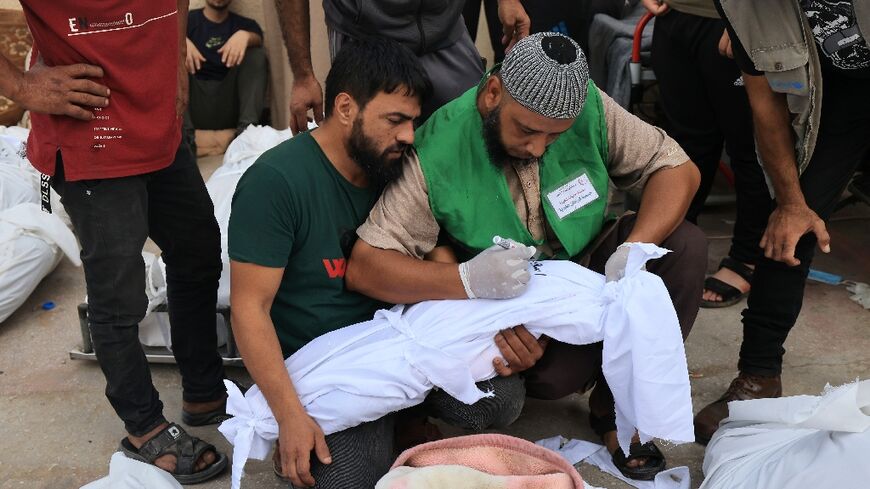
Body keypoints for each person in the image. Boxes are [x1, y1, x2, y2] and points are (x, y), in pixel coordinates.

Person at [346, 32, 707, 481]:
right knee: (552, 379)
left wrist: (633, 252)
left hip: (586, 268)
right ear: (493, 93)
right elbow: (367, 266)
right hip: (508, 307)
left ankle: (618, 414)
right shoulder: (435, 149)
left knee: (684, 246)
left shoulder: (587, 105)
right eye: (527, 130)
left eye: (555, 136)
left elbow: (677, 169)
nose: (539, 148)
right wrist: (470, 284)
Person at [0, 0, 229, 484]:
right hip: (92, 133)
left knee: (198, 252)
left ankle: (204, 390)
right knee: (118, 297)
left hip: (158, 125)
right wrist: (20, 86)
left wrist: (174, 71)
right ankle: (145, 430)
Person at [228, 38, 437, 488]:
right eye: (395, 120)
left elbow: (437, 249)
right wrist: (290, 416)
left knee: (496, 400)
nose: (409, 136)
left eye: (414, 122)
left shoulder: (397, 168)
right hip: (321, 371)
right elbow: (249, 308)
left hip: (396, 345)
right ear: (345, 107)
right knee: (340, 478)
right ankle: (389, 428)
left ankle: (402, 420)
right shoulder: (276, 181)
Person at [694, 0, 870, 443]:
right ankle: (759, 376)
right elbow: (765, 103)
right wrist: (791, 202)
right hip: (841, 95)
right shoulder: (743, 5)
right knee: (790, 226)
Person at [640, 0, 772, 308]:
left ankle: (747, 256)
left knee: (749, 145)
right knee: (683, 143)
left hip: (735, 18)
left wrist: (745, 14)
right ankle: (674, 247)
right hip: (676, 15)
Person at [274, 0, 531, 132]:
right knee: (375, 155)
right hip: (367, 35)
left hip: (445, 28)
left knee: (475, 134)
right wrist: (303, 75)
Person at [184, 0, 267, 141]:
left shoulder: (245, 25)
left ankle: (245, 135)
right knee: (171, 55)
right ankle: (186, 139)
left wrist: (246, 36)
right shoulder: (187, 22)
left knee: (256, 54)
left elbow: (258, 38)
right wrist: (180, 43)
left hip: (229, 105)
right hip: (194, 105)